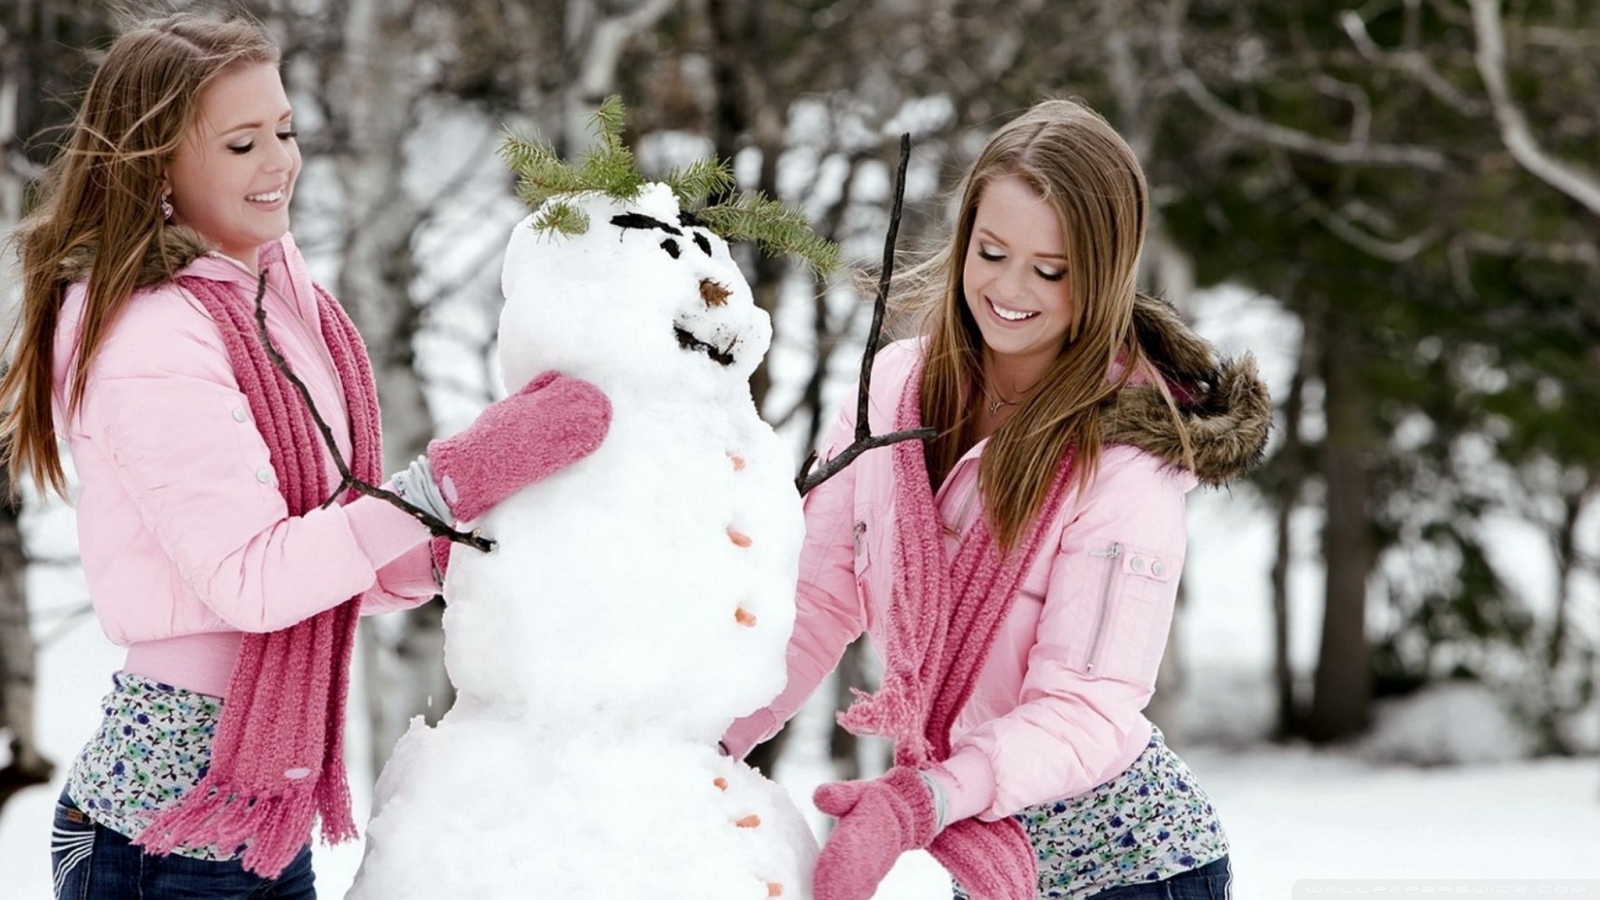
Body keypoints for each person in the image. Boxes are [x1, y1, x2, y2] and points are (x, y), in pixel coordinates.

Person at [0, 12, 610, 899]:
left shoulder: (281, 305)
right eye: (243, 143)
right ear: (155, 167)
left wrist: (450, 546)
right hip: (164, 836)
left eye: (283, 130)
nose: (280, 161)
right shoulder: (151, 335)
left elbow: (324, 545)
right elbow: (257, 580)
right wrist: (448, 484)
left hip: (254, 811)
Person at [721, 99, 1272, 900]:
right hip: (990, 861)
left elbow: (1085, 710)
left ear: (1104, 274)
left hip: (1133, 872)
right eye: (992, 252)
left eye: (1052, 271)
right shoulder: (891, 395)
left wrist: (923, 799)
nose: (1012, 290)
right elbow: (815, 598)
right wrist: (707, 740)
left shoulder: (1125, 457)